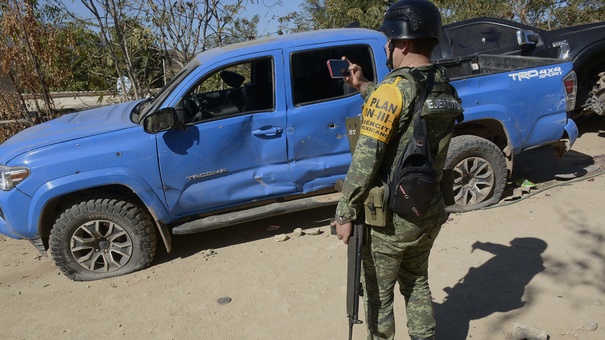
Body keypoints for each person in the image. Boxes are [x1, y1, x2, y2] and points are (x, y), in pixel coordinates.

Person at [330, 1, 463, 339]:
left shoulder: (393, 89)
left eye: (388, 41)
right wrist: (362, 85)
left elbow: (365, 162)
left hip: (391, 218)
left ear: (402, 43)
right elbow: (407, 107)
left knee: (377, 295)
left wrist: (344, 213)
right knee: (417, 279)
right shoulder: (443, 85)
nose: (387, 48)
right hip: (429, 208)